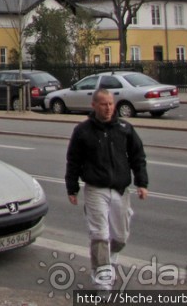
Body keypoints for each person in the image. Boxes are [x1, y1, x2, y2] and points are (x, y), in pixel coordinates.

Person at [65, 88, 148, 290]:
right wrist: (72, 188)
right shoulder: (83, 131)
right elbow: (73, 160)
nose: (109, 108)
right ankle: (102, 281)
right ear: (94, 105)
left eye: (111, 103)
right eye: (104, 104)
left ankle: (106, 259)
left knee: (120, 237)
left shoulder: (124, 129)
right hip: (95, 189)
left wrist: (142, 183)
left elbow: (138, 156)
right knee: (100, 234)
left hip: (120, 189)